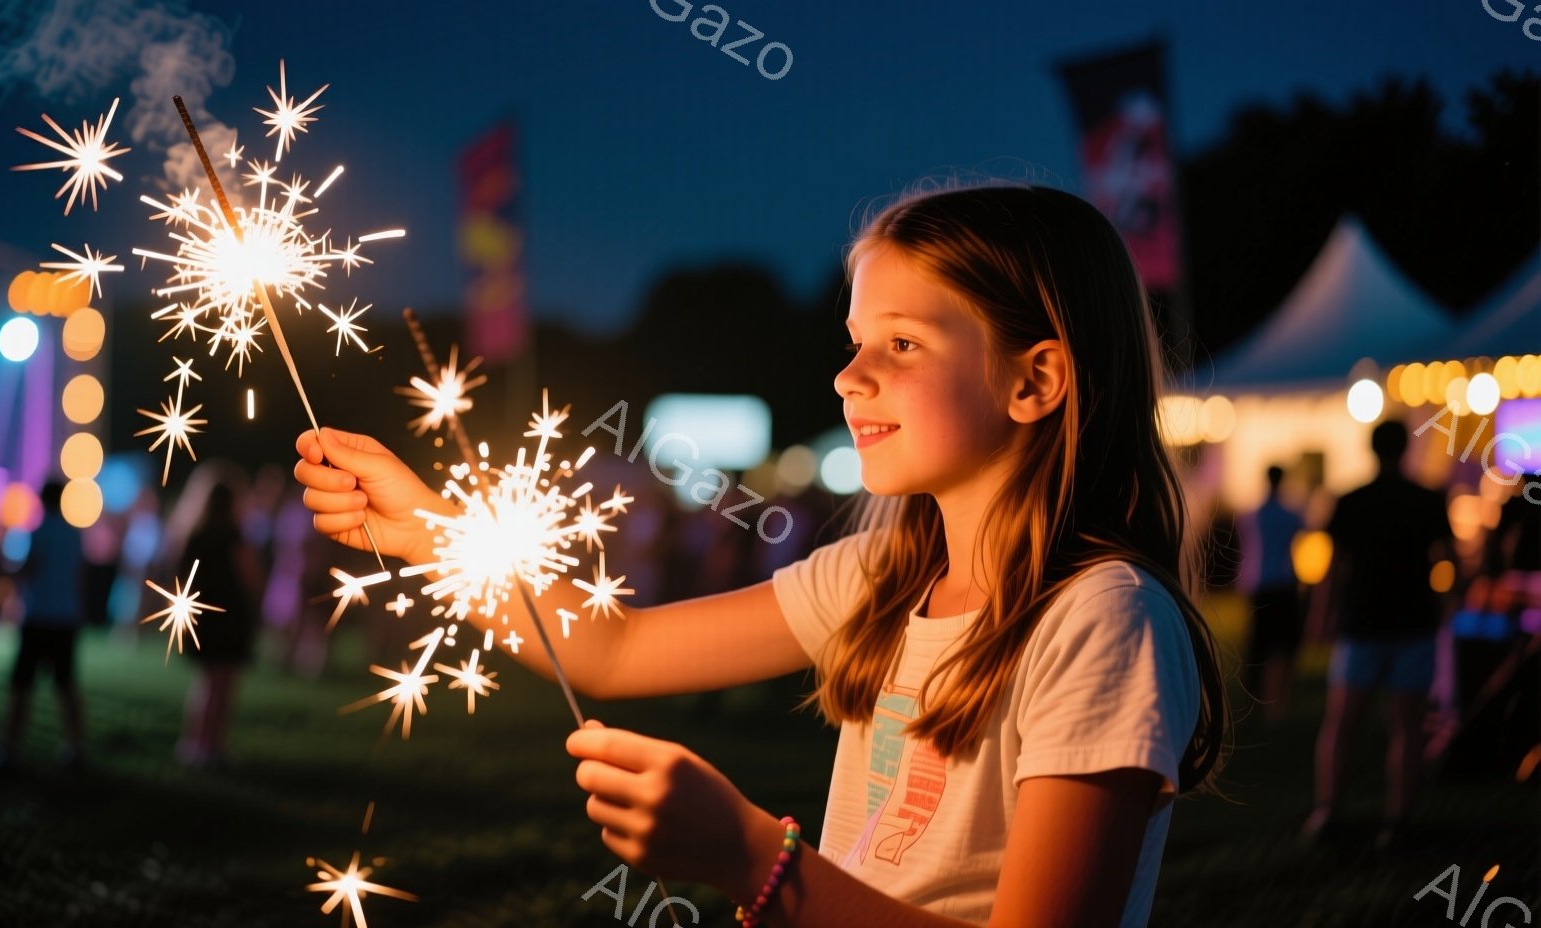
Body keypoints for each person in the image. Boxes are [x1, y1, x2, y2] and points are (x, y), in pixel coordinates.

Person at [294, 184, 1230, 927]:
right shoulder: (879, 580)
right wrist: (432, 533)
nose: (848, 377)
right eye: (855, 342)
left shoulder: (1104, 620)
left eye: (902, 344)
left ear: (1036, 379)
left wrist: (753, 860)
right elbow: (613, 649)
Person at [1303, 420, 1454, 849]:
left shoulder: (1351, 501)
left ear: (1372, 449)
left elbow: (1333, 567)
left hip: (1362, 623)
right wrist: (1449, 604)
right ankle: (1398, 818)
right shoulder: (1427, 499)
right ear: (1405, 449)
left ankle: (1327, 812)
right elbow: (1449, 561)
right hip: (1414, 622)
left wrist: (1320, 616)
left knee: (1342, 723)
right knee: (1407, 726)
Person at [164, 466, 263, 768]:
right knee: (224, 685)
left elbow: (180, 578)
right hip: (230, 617)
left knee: (206, 682)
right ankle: (211, 743)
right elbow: (250, 576)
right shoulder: (234, 536)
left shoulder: (193, 535)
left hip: (202, 617)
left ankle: (194, 743)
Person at [0, 481, 87, 772]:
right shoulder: (74, 535)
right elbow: (80, 575)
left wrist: (1, 569)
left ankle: (10, 747)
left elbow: (28, 570)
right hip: (65, 618)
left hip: (39, 617)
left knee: (22, 684)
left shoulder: (39, 532)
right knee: (66, 684)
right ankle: (76, 746)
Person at [1237, 465, 1306, 728]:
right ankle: (1278, 704)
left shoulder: (1252, 514)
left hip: (1260, 583)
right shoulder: (1291, 514)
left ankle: (1254, 702)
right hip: (1284, 582)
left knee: (1259, 645)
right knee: (1284, 647)